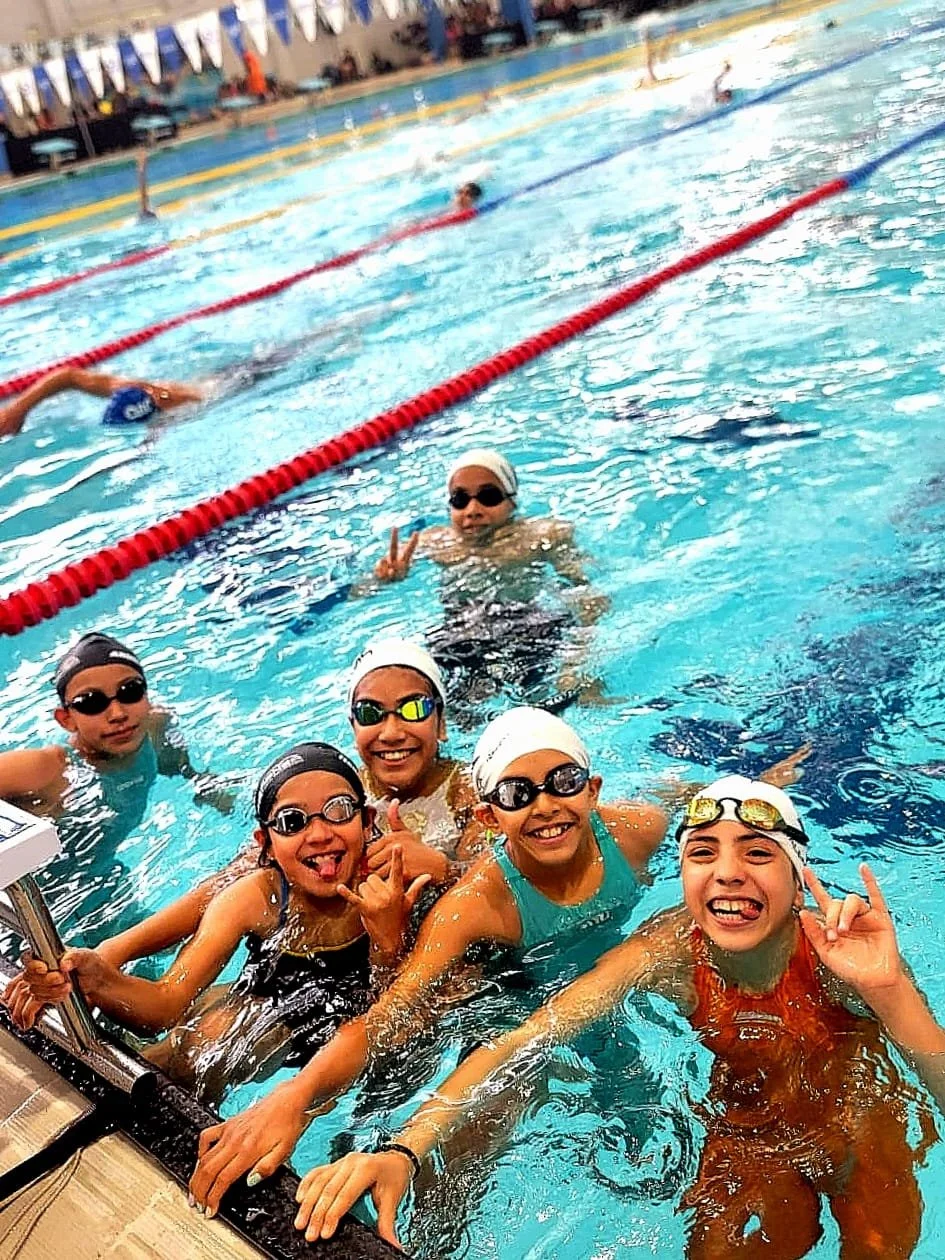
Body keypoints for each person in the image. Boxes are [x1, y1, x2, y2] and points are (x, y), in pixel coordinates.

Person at [297, 776, 945, 1254]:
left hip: (865, 1130)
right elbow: (525, 1039)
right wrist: (405, 1150)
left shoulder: (845, 953)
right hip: (747, 1134)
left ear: (798, 875)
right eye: (701, 854)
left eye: (755, 851)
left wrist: (889, 989)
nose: (725, 874)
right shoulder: (665, 952)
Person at [187, 707, 668, 1213]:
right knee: (468, 1141)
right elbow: (387, 1015)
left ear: (592, 789)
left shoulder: (640, 830)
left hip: (622, 976)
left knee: (649, 1133)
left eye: (564, 781)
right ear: (488, 817)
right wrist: (297, 1094)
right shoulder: (474, 906)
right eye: (516, 794)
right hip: (521, 998)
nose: (545, 805)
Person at [7, 743, 431, 1105]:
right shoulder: (255, 898)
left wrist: (389, 938)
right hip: (272, 1008)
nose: (319, 834)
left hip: (369, 1031)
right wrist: (97, 978)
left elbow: (404, 1002)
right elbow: (166, 1004)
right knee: (197, 1046)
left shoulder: (395, 883)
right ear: (265, 843)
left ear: (367, 821)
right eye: (292, 822)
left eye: (338, 811)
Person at [367, 448, 609, 715]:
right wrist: (386, 579)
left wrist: (578, 661)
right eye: (460, 499)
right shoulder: (433, 542)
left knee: (537, 710)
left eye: (488, 497)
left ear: (512, 500)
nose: (473, 510)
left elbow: (586, 592)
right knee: (450, 715)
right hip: (457, 634)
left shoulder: (543, 536)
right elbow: (360, 591)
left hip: (527, 628)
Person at [349, 637, 485, 885]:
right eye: (369, 712)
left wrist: (445, 871)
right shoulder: (341, 794)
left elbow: (500, 885)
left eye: (414, 709)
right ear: (354, 728)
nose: (391, 733)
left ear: (441, 722)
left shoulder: (470, 794)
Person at [137, 150, 157, 221]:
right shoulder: (145, 213)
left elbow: (144, 195)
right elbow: (144, 194)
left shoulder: (145, 214)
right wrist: (142, 168)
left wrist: (142, 167)